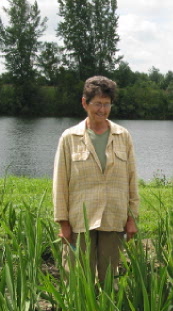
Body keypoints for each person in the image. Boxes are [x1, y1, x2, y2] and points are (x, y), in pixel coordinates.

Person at [53, 75, 139, 284]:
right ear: (85, 103)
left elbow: (132, 179)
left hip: (113, 218)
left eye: (107, 104)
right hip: (79, 222)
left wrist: (132, 218)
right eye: (97, 104)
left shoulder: (123, 135)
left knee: (110, 280)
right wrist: (63, 223)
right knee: (78, 280)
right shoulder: (69, 137)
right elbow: (60, 182)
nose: (102, 109)